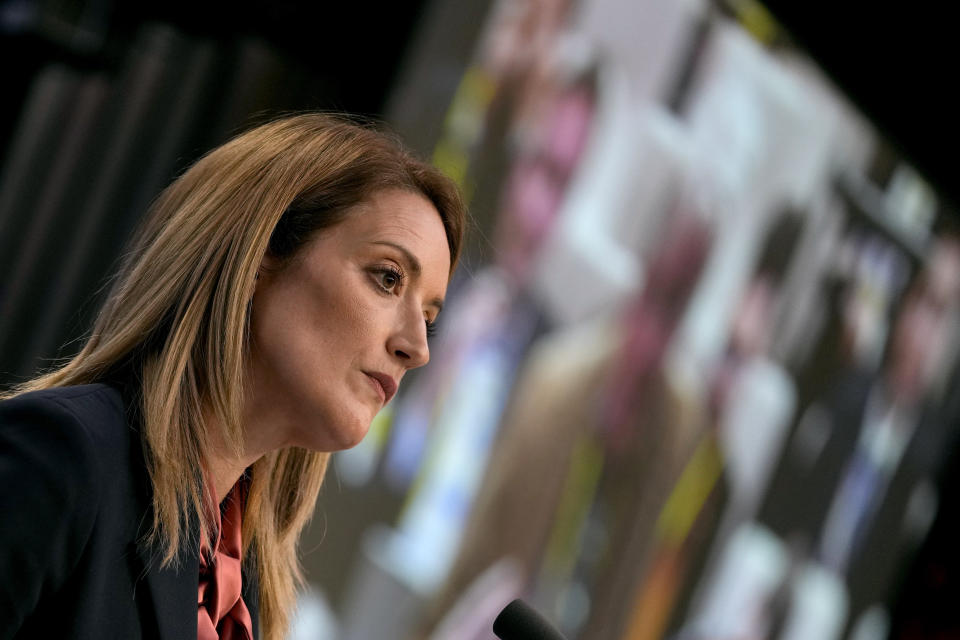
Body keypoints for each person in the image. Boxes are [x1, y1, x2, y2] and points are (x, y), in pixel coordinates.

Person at [0, 113, 466, 640]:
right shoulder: (65, 455)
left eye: (429, 318)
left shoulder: (243, 590)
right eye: (387, 278)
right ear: (258, 256)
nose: (417, 347)